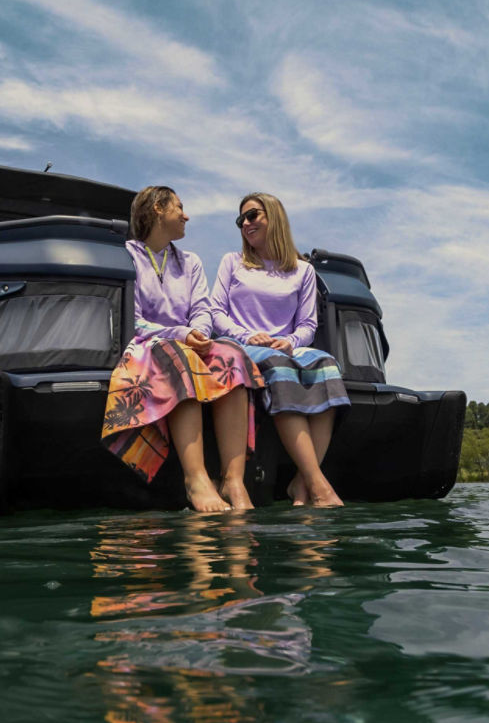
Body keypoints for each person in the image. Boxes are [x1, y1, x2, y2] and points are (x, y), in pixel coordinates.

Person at [102, 186, 264, 512]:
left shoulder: (190, 262)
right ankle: (196, 480)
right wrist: (182, 334)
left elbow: (202, 310)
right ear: (159, 208)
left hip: (190, 342)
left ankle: (233, 480)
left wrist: (201, 333)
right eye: (180, 207)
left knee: (232, 355)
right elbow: (133, 321)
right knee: (179, 356)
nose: (186, 215)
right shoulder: (125, 256)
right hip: (147, 347)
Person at [210, 193, 349, 507]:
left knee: (328, 366)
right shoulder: (232, 262)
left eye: (252, 215)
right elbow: (216, 313)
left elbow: (307, 325)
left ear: (274, 217)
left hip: (286, 346)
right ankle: (319, 486)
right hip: (244, 346)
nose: (245, 224)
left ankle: (301, 482)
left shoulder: (303, 271)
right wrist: (248, 335)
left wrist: (291, 341)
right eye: (240, 220)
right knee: (279, 367)